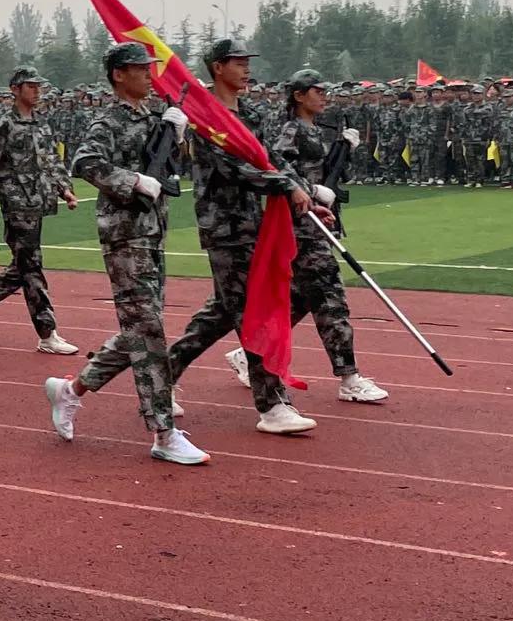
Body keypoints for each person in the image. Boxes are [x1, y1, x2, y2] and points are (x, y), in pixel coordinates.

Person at [41, 42, 208, 466]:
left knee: (139, 327)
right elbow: (85, 162)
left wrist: (180, 137)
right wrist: (131, 180)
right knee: (149, 330)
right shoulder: (108, 120)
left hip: (153, 231)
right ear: (118, 74)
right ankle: (163, 432)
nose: (148, 75)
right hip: (124, 234)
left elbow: (172, 169)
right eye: (139, 69)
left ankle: (70, 390)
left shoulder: (156, 117)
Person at [160, 41, 322, 435]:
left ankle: (160, 377)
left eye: (249, 62)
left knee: (222, 313)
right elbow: (233, 169)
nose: (247, 69)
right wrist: (286, 187)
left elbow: (271, 159)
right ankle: (272, 405)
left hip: (255, 223)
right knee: (255, 312)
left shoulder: (249, 112)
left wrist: (308, 194)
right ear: (218, 68)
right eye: (239, 63)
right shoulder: (204, 117)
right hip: (224, 228)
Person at [243, 69, 390, 410]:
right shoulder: (290, 129)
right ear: (298, 95)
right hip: (300, 224)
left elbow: (327, 174)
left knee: (301, 299)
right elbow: (276, 166)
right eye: (317, 91)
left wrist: (344, 150)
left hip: (316, 220)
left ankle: (251, 350)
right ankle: (349, 377)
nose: (324, 96)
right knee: (331, 298)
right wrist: (309, 190)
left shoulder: (315, 130)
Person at [0, 65, 80, 355]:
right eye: (31, 86)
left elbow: (51, 161)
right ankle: (47, 333)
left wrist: (65, 188)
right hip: (16, 205)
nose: (37, 91)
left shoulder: (42, 123)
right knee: (32, 266)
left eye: (39, 86)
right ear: (15, 89)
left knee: (22, 268)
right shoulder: (5, 125)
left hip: (39, 203)